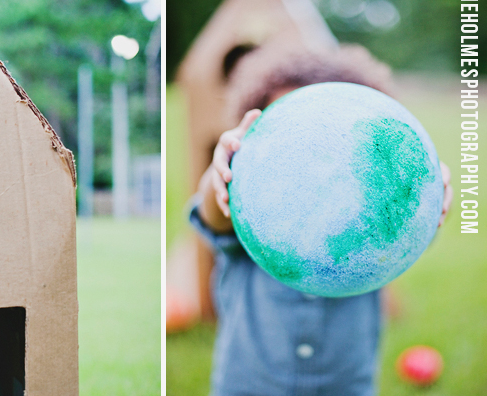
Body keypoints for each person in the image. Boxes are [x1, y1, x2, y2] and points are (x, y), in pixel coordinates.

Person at [191, 41, 453, 395]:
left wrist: (426, 196)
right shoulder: (248, 203)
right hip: (250, 385)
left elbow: (412, 234)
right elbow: (214, 216)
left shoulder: (374, 218)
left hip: (345, 385)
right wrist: (219, 174)